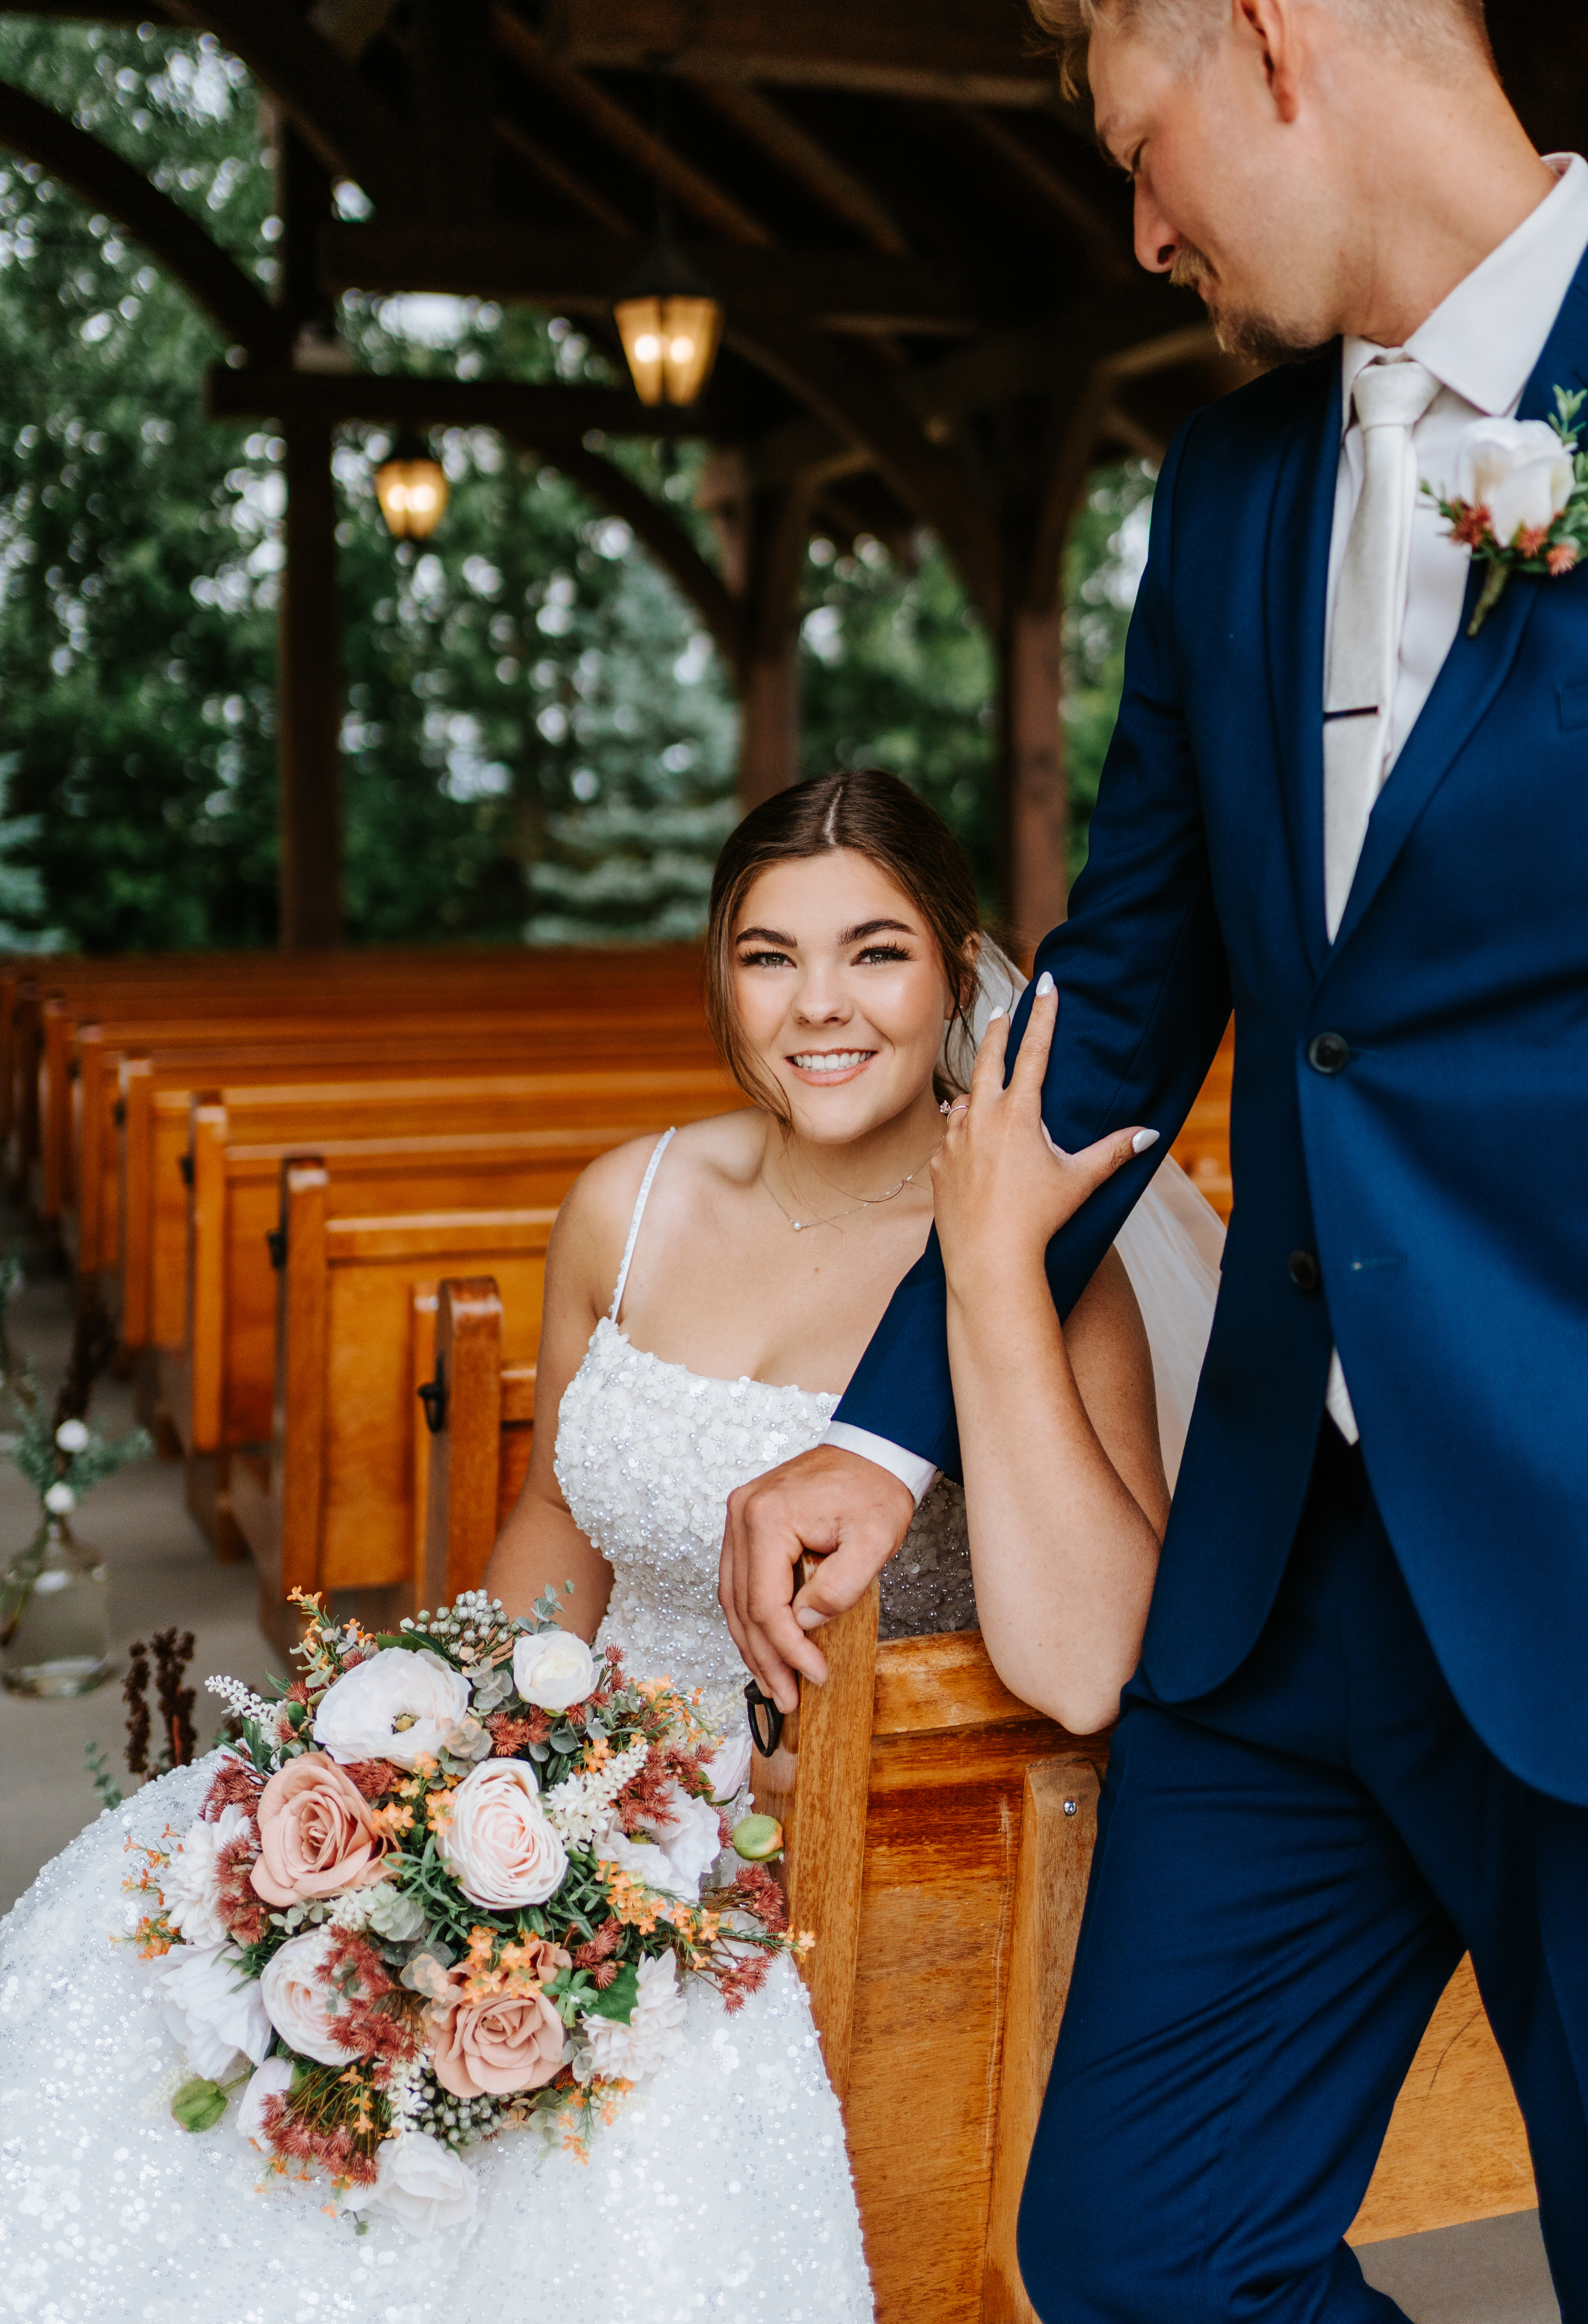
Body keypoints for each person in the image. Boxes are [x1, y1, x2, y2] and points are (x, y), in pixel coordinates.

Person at [720, 0, 1588, 2324]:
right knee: (1137, 2250)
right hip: (1299, 1592)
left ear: (1269, 43)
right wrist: (882, 1415)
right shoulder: (1224, 496)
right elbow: (1122, 994)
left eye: (1145, 153)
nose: (1144, 234)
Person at [0, 768, 1217, 2322]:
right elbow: (558, 1520)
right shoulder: (630, 1204)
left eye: (875, 951)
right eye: (768, 956)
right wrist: (435, 1772)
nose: (818, 1006)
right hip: (574, 1786)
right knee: (166, 1955)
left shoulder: (1045, 1269)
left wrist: (991, 1282)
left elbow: (1094, 1664)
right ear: (721, 977)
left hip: (836, 1838)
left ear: (956, 968)